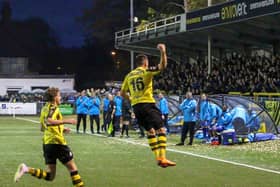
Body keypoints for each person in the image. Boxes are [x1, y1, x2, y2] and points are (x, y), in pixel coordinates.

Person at [14, 87, 84, 187]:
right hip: (57, 143)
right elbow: (49, 121)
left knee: (51, 176)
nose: (60, 98)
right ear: (55, 97)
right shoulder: (53, 108)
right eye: (59, 96)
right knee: (73, 168)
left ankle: (26, 169)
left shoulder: (45, 108)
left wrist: (61, 128)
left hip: (47, 144)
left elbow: (43, 127)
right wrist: (67, 121)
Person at [120, 43, 176, 168]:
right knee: (161, 129)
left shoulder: (129, 75)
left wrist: (132, 98)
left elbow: (122, 93)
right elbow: (162, 66)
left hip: (136, 106)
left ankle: (158, 158)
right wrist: (163, 52)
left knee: (150, 132)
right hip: (148, 104)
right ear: (145, 63)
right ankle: (163, 157)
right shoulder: (146, 71)